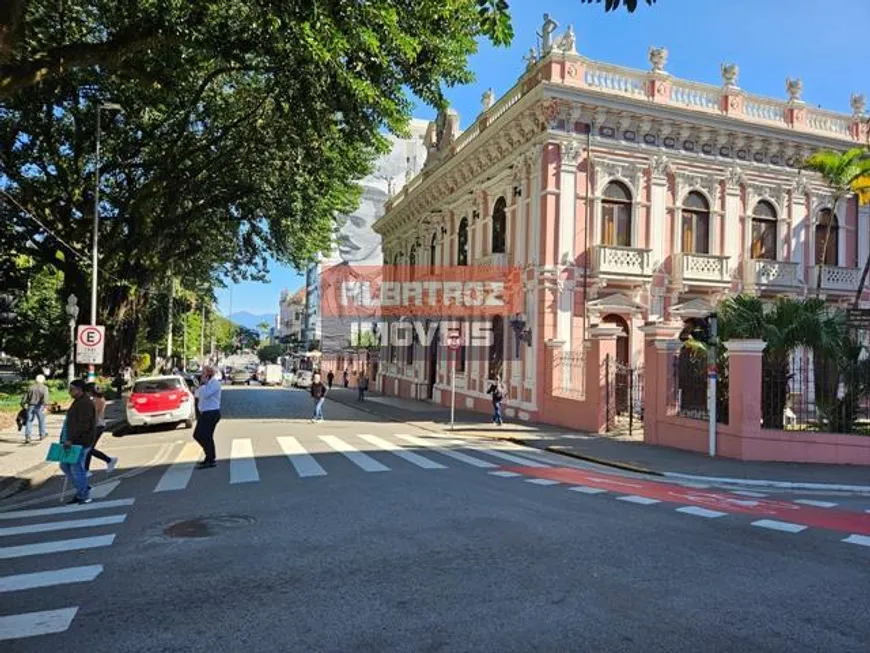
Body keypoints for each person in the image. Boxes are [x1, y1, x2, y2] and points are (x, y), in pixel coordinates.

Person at [60, 380, 97, 504]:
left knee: (76, 468)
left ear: (80, 389)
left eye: (72, 389)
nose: (70, 391)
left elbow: (83, 425)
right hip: (73, 440)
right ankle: (83, 488)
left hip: (80, 441)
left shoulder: (85, 403)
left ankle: (83, 494)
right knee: (65, 465)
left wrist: (71, 439)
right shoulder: (79, 402)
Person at [192, 365, 222, 469]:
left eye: (204, 373)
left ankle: (210, 458)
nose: (202, 375)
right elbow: (196, 395)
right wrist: (200, 385)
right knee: (199, 435)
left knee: (205, 436)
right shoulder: (206, 384)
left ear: (209, 374)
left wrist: (203, 384)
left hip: (212, 413)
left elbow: (205, 394)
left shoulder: (215, 383)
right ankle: (209, 457)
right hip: (205, 413)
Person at [84, 384, 118, 474]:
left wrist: (91, 426)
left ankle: (109, 460)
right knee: (89, 448)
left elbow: (94, 415)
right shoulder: (101, 399)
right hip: (100, 424)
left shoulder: (95, 401)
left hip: (97, 425)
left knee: (88, 448)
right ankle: (86, 470)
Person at [20, 374, 49, 443]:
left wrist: (23, 405)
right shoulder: (44, 388)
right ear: (43, 380)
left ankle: (28, 436)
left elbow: (24, 398)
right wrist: (45, 406)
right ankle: (42, 434)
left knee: (29, 421)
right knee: (41, 420)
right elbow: (45, 399)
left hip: (30, 406)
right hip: (40, 406)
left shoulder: (30, 387)